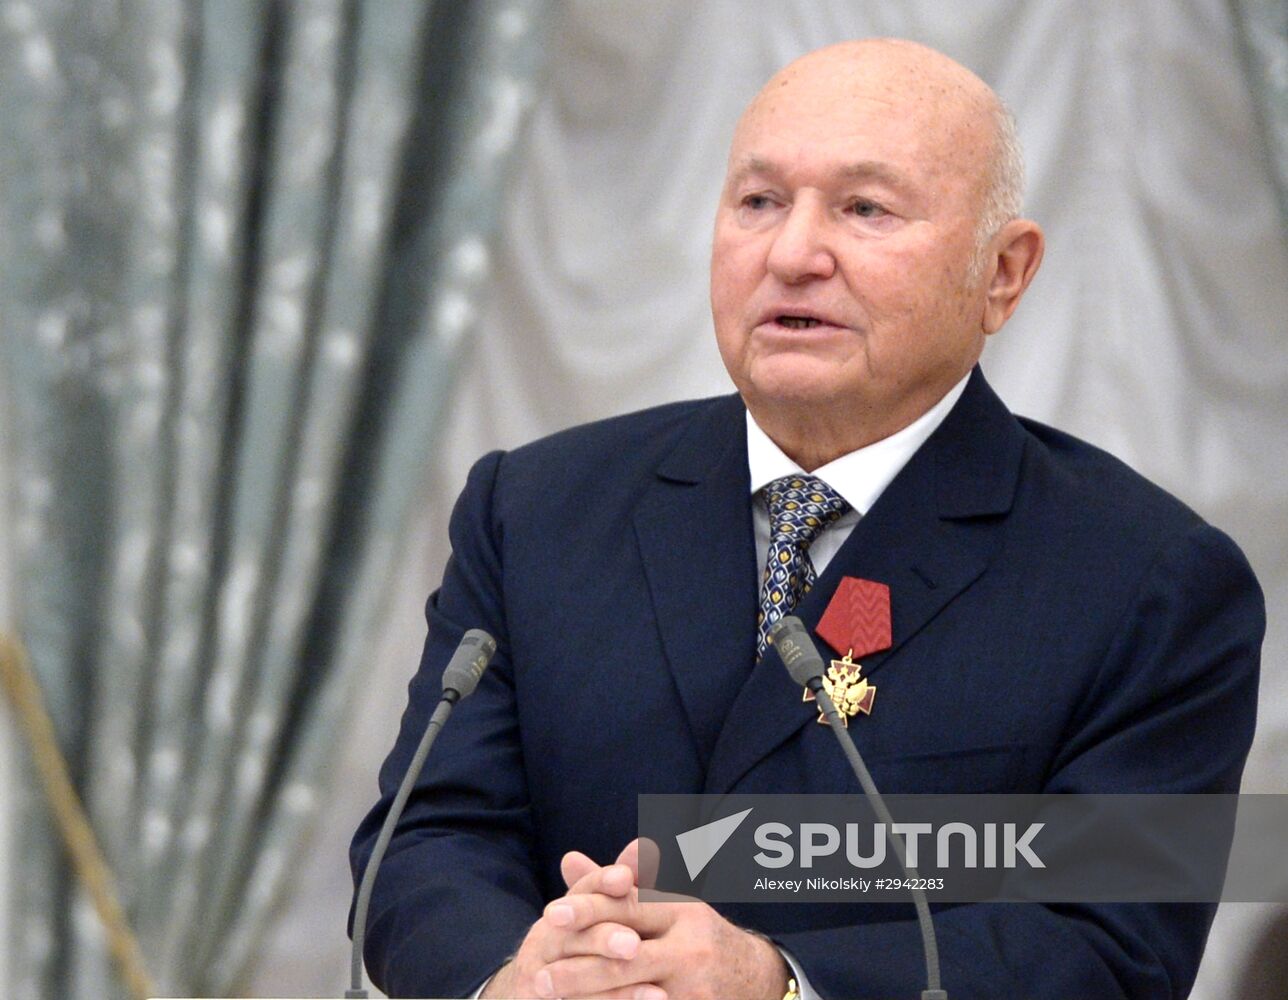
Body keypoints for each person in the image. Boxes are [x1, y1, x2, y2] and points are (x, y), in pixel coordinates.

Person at [351, 38, 1263, 999]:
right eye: (759, 203)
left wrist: (779, 983)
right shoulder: (535, 508)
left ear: (1003, 273)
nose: (792, 254)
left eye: (865, 209)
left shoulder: (1145, 580)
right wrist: (511, 981)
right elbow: (430, 833)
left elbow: (1112, 949)